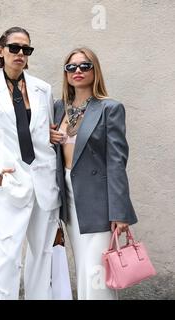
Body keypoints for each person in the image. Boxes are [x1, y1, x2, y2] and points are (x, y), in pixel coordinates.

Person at [0, 27, 61, 300]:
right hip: (10, 181)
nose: (20, 54)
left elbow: (43, 132)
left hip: (43, 180)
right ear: (0, 50)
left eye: (26, 49)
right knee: (8, 254)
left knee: (43, 253)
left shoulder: (43, 88)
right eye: (14, 48)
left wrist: (53, 134)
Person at [50, 47, 138, 299]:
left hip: (99, 200)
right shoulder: (59, 108)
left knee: (97, 270)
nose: (77, 71)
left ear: (94, 70)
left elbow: (116, 161)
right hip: (69, 196)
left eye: (84, 66)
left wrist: (120, 212)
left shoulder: (110, 108)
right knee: (82, 266)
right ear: (66, 74)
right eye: (71, 67)